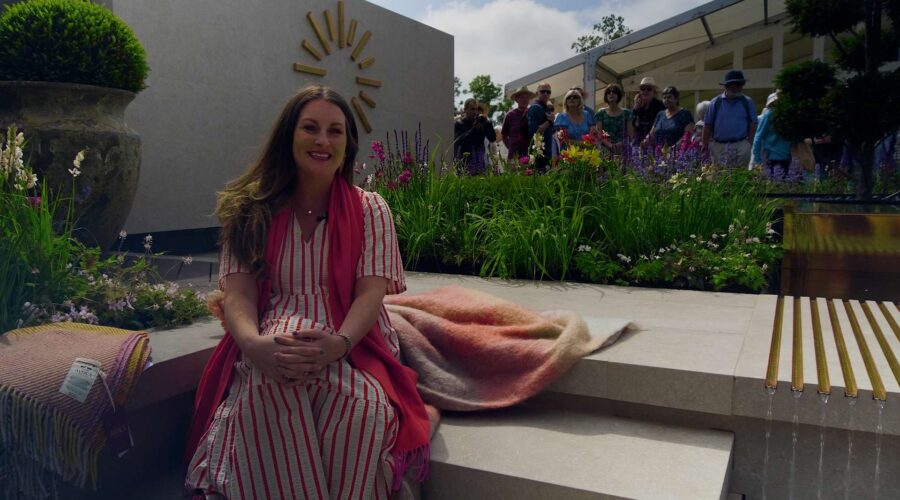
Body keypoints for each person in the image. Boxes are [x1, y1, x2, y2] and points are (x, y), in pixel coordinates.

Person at [184, 85, 430, 499]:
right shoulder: (251, 210)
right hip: (271, 333)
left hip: (352, 337)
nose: (322, 141)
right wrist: (254, 346)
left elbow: (370, 294)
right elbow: (239, 293)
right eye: (310, 128)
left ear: (348, 144)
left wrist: (339, 343)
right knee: (270, 390)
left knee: (363, 410)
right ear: (289, 136)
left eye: (335, 131)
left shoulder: (371, 208)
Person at [702, 69, 758, 168]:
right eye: (736, 84)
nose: (739, 87)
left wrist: (749, 143)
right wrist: (705, 146)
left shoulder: (747, 102)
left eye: (740, 84)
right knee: (720, 176)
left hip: (741, 144)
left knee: (740, 176)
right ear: (726, 86)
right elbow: (707, 125)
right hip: (719, 146)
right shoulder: (715, 102)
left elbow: (753, 123)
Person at [752, 91, 792, 178]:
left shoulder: (788, 115)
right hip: (771, 157)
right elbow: (758, 137)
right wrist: (757, 160)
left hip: (788, 157)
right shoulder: (769, 115)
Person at [552, 89, 596, 164]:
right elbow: (562, 139)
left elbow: (593, 135)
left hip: (586, 155)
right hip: (568, 156)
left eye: (575, 97)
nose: (572, 98)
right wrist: (583, 143)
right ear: (565, 101)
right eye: (569, 97)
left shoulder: (587, 114)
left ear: (580, 100)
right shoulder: (561, 117)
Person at [454, 98, 497, 175]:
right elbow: (460, 141)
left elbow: (492, 138)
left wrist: (488, 124)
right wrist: (474, 130)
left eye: (476, 109)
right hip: (465, 162)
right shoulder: (459, 124)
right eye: (472, 109)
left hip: (480, 160)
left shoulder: (481, 122)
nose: (475, 112)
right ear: (465, 109)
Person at [527, 82, 556, 172]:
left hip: (546, 152)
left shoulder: (545, 108)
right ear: (537, 94)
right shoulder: (536, 108)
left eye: (548, 92)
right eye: (542, 91)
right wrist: (549, 121)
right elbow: (535, 132)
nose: (545, 94)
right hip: (538, 153)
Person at [594, 83, 633, 153]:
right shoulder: (601, 113)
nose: (611, 93)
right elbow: (599, 133)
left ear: (618, 95)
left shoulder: (627, 113)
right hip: (605, 149)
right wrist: (610, 145)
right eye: (608, 92)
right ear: (606, 96)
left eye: (614, 92)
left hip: (623, 149)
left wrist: (619, 145)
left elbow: (631, 135)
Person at [501, 86, 534, 160]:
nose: (524, 100)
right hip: (514, 155)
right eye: (522, 97)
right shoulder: (510, 115)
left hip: (529, 154)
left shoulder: (532, 113)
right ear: (516, 99)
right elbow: (504, 135)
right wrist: (511, 147)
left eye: (526, 97)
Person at [632, 77, 665, 146]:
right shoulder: (639, 106)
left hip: (656, 144)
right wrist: (635, 108)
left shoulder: (661, 106)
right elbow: (632, 124)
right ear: (640, 92)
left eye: (649, 89)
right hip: (640, 143)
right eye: (643, 89)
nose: (645, 91)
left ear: (654, 91)